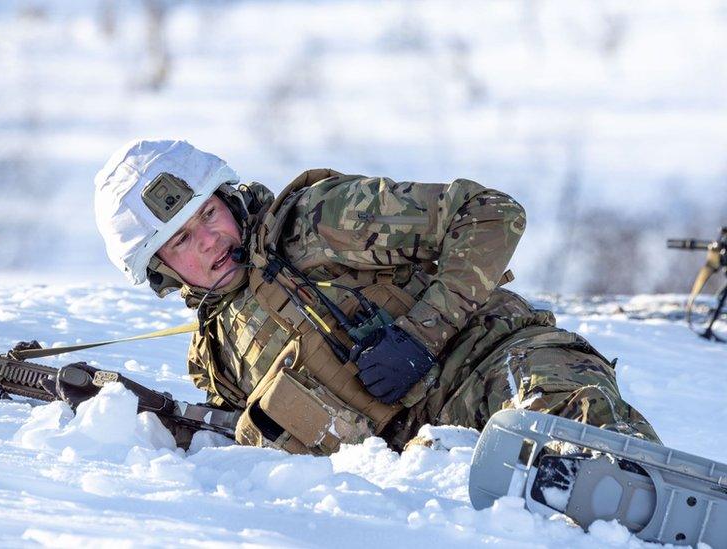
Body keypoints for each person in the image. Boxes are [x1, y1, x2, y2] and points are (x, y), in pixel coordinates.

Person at [93, 138, 659, 455]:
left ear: (227, 198)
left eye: (208, 214)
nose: (209, 240)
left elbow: (491, 213)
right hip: (426, 455)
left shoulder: (318, 221)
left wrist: (420, 334)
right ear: (162, 271)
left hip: (493, 359)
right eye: (181, 241)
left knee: (567, 429)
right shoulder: (218, 355)